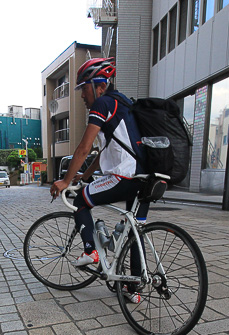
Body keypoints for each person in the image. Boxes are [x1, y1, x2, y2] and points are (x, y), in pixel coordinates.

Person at [50, 57, 148, 303]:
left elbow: (83, 146)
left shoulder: (103, 104)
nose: (82, 95)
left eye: (84, 88)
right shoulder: (121, 104)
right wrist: (84, 175)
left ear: (99, 86)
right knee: (135, 231)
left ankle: (90, 251)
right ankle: (134, 290)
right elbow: (102, 151)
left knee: (81, 200)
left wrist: (65, 181)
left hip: (126, 175)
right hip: (146, 178)